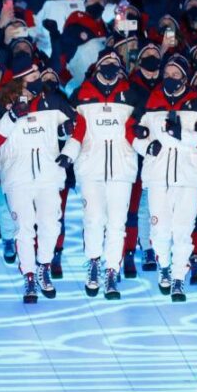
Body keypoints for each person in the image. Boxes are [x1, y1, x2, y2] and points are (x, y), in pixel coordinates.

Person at [58, 50, 139, 300]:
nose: (111, 66)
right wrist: (68, 154)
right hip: (90, 168)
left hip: (121, 168)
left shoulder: (131, 94)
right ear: (98, 66)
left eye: (115, 63)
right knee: (93, 219)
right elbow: (78, 130)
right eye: (106, 63)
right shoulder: (83, 94)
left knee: (117, 223)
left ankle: (112, 270)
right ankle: (93, 263)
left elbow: (135, 129)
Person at [0, 60, 71, 304]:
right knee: (24, 228)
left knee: (51, 224)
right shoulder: (1, 103)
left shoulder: (53, 100)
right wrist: (13, 114)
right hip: (18, 178)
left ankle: (43, 266)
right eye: (35, 73)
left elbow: (76, 127)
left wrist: (68, 146)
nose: (40, 76)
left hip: (48, 174)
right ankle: (28, 275)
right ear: (22, 78)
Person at [132, 56, 197, 302]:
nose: (171, 76)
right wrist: (146, 147)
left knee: (183, 231)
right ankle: (164, 265)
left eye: (176, 73)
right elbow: (134, 131)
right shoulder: (151, 101)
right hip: (157, 176)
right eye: (168, 72)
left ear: (185, 77)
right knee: (160, 228)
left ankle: (178, 278)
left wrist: (182, 135)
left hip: (188, 176)